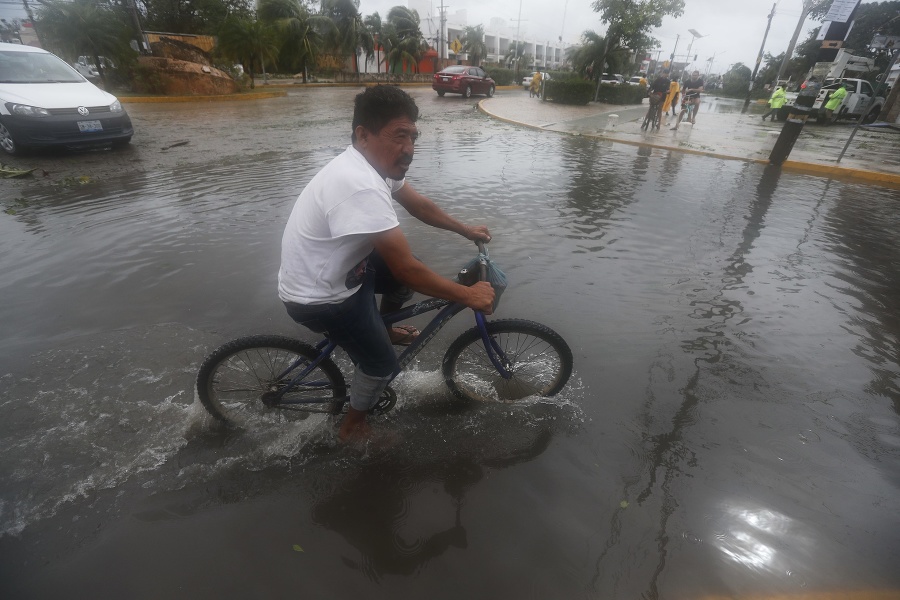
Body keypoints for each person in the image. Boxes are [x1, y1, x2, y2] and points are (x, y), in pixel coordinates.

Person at [278, 85, 495, 443]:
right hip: (321, 298)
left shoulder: (374, 165)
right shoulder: (359, 183)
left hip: (331, 270)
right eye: (399, 136)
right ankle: (353, 427)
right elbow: (406, 267)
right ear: (363, 135)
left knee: (402, 277)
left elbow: (419, 206)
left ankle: (384, 327)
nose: (409, 147)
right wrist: (467, 295)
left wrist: (465, 228)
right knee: (381, 364)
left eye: (413, 136)